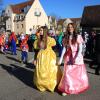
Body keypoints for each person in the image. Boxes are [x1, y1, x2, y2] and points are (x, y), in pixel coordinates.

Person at [58, 23, 89, 95]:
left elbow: (80, 48)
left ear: (74, 28)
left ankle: (75, 87)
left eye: (71, 27)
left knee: (76, 74)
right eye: (69, 27)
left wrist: (77, 57)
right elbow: (64, 49)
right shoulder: (66, 37)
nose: (70, 28)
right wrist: (60, 59)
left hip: (76, 56)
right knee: (67, 73)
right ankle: (67, 89)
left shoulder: (78, 36)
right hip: (68, 56)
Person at [34, 26, 62, 92]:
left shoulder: (50, 39)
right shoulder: (38, 40)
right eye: (39, 30)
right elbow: (36, 50)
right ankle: (42, 85)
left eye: (41, 30)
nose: (40, 31)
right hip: (41, 57)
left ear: (45, 31)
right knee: (41, 71)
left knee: (51, 70)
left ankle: (51, 84)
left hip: (49, 57)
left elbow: (54, 46)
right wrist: (35, 59)